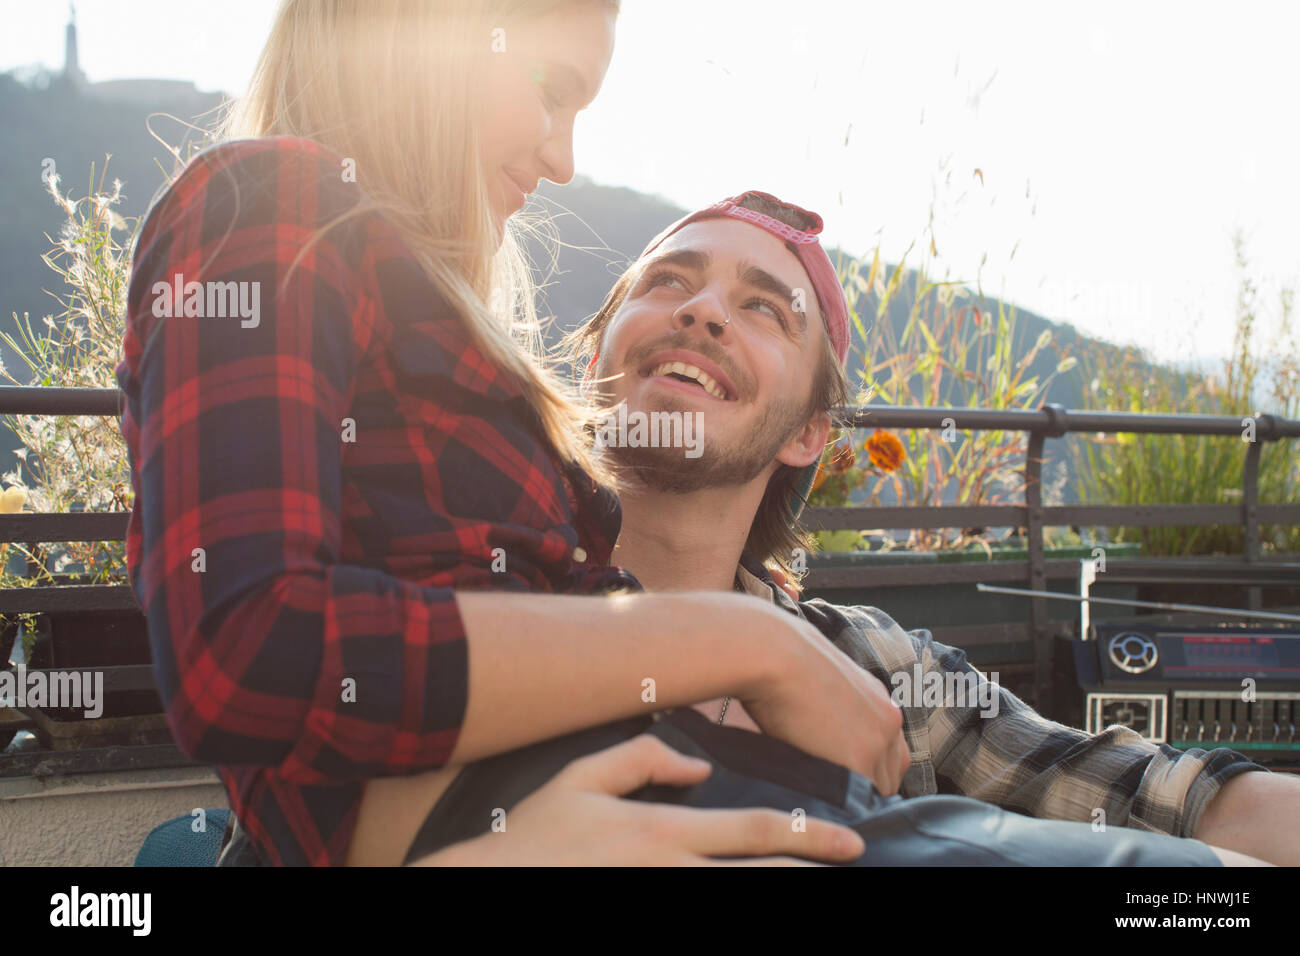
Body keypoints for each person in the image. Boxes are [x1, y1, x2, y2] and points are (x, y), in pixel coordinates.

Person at [118, 0, 906, 868]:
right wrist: (752, 648)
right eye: (552, 92)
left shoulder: (411, 302)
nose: (563, 159)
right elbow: (248, 652)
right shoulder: (268, 198)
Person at [354, 190, 1270, 867]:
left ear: (808, 433)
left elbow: (1149, 797)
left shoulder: (876, 667)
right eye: (667, 281)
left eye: (763, 309)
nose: (701, 309)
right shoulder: (468, 586)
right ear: (594, 357)